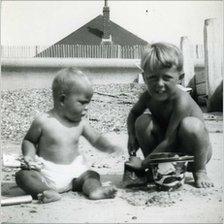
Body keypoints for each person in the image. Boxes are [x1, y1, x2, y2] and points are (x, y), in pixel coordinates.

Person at [15, 68, 122, 203]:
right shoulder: (43, 121)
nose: (87, 107)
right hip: (46, 172)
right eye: (82, 102)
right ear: (62, 99)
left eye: (88, 102)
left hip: (74, 173)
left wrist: (109, 146)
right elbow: (29, 140)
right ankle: (46, 191)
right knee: (23, 176)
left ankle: (94, 190)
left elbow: (96, 139)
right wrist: (29, 157)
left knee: (91, 175)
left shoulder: (81, 123)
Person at [126, 42, 213, 188]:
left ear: (180, 77)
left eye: (166, 77)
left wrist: (142, 163)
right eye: (153, 78)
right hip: (165, 154)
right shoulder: (147, 97)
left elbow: (170, 140)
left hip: (193, 154)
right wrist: (131, 136)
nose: (159, 84)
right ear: (144, 77)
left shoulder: (181, 101)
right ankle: (155, 168)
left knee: (191, 125)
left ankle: (200, 171)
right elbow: (133, 114)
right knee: (142, 121)